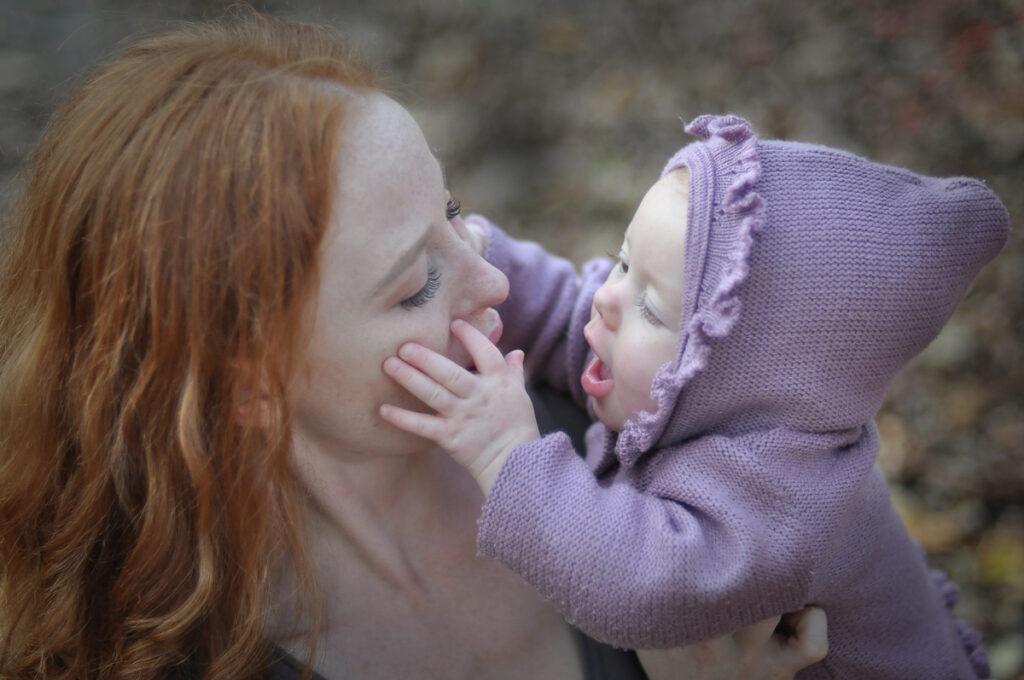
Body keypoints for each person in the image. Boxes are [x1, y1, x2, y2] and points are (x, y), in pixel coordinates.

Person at [0, 12, 831, 680]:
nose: (494, 281)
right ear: (245, 383)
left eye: (455, 210)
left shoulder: (603, 422)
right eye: (415, 285)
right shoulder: (171, 652)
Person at [379, 115, 1009, 678]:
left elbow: (643, 586)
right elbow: (565, 317)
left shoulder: (785, 494)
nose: (608, 296)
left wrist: (504, 453)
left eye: (650, 305)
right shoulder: (675, 381)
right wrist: (479, 261)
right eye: (624, 263)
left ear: (754, 379)